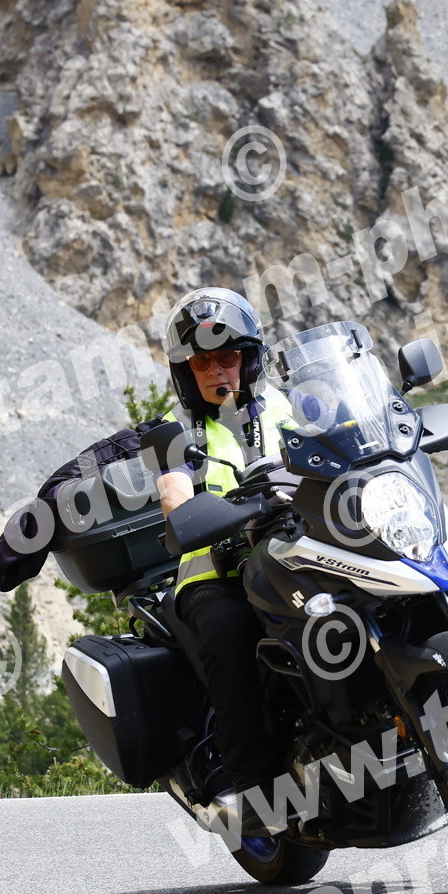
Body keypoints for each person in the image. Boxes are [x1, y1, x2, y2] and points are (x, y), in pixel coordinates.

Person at [153, 287, 293, 799]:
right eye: (202, 361)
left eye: (228, 356)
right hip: (217, 572)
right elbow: (175, 498)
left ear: (249, 359)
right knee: (229, 627)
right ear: (186, 372)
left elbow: (340, 439)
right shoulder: (174, 432)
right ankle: (256, 787)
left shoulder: (286, 407)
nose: (217, 370)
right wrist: (203, 514)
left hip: (292, 548)